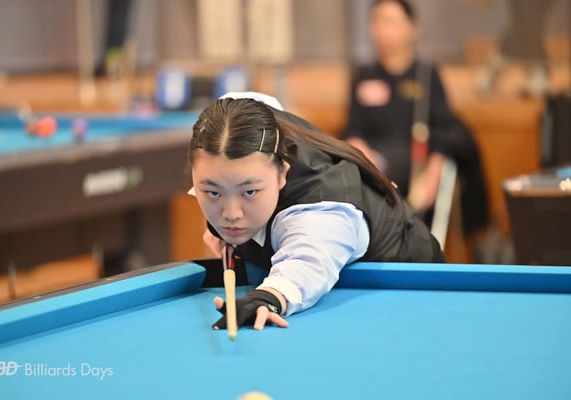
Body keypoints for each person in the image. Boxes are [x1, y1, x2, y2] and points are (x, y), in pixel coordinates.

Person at [187, 91, 444, 332]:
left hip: (414, 290)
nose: (231, 214)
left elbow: (308, 261)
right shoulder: (239, 126)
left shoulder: (320, 211)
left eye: (250, 192)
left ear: (282, 173)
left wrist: (270, 296)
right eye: (213, 192)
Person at [343, 0, 488, 234]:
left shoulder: (426, 76)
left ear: (412, 28)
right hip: (372, 166)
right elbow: (353, 129)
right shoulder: (363, 75)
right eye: (376, 21)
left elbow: (443, 132)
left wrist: (433, 174)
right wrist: (360, 153)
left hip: (415, 165)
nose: (382, 29)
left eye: (390, 22)